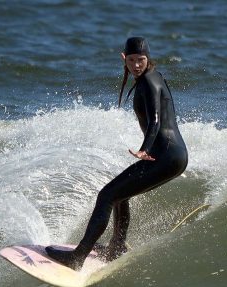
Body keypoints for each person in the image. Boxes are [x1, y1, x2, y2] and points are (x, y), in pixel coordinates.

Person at [46, 37, 188, 270]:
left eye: (141, 60)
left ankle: (77, 257)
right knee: (119, 194)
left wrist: (145, 148)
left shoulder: (148, 82)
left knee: (106, 196)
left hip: (166, 155)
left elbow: (154, 120)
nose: (136, 65)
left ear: (148, 59)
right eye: (131, 60)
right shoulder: (154, 77)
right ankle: (117, 246)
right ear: (124, 58)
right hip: (174, 155)